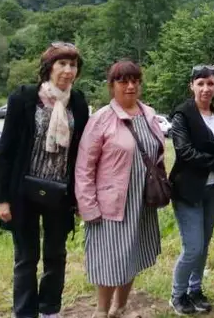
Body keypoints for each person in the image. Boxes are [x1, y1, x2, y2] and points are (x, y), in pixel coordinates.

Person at [0, 43, 89, 318]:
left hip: (60, 192)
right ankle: (24, 312)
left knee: (55, 255)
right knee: (26, 257)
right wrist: (2, 198)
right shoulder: (24, 98)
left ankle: (50, 309)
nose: (68, 71)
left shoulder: (78, 102)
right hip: (23, 190)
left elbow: (81, 151)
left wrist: (80, 196)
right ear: (49, 67)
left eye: (73, 66)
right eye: (62, 64)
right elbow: (7, 150)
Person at [75, 60, 165, 318]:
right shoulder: (101, 119)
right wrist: (88, 207)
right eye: (123, 81)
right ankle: (101, 310)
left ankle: (121, 305)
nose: (130, 86)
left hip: (142, 200)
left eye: (135, 80)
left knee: (132, 254)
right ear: (112, 85)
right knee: (110, 260)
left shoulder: (148, 114)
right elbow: (84, 168)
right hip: (111, 204)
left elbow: (157, 153)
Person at [168, 65, 214, 315]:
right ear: (191, 85)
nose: (206, 88)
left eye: (210, 83)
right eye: (200, 83)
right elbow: (184, 151)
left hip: (213, 189)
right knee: (192, 247)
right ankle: (177, 294)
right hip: (188, 189)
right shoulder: (182, 114)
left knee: (203, 245)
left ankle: (195, 289)